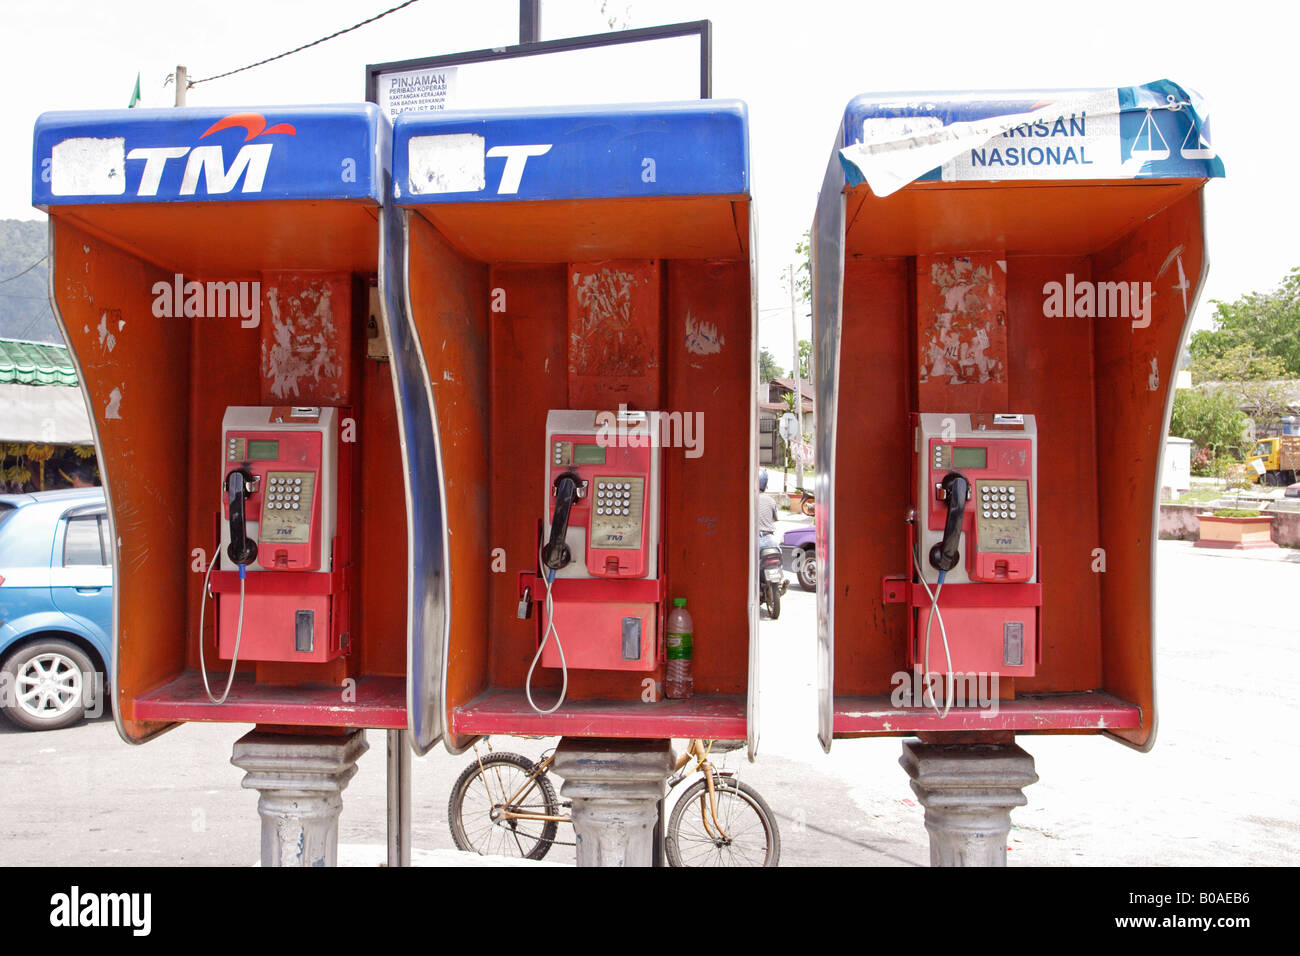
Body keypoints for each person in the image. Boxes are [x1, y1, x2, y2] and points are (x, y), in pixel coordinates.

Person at [756, 469, 779, 549]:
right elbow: (774, 519)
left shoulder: (748, 499)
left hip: (753, 540)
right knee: (778, 555)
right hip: (770, 540)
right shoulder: (771, 500)